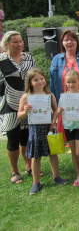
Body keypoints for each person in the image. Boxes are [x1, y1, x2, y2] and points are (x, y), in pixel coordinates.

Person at [18, 68, 67, 195]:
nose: (39, 82)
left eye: (41, 79)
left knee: (53, 153)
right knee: (36, 156)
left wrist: (54, 120)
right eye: (35, 80)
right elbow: (19, 115)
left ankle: (56, 176)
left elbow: (55, 110)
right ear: (30, 82)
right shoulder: (27, 97)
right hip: (35, 130)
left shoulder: (50, 95)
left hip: (48, 128)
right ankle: (36, 182)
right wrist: (26, 111)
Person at [0, 31, 37, 184]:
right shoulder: (1, 60)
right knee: (13, 137)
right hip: (9, 102)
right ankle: (14, 170)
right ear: (6, 44)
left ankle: (28, 166)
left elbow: (35, 77)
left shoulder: (29, 58)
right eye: (15, 42)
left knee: (26, 136)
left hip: (28, 102)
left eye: (20, 41)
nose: (19, 44)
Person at [57, 70, 79, 186]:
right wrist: (59, 111)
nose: (71, 84)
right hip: (68, 126)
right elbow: (59, 111)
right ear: (65, 83)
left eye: (73, 81)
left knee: (78, 152)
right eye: (68, 82)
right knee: (73, 152)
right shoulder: (64, 97)